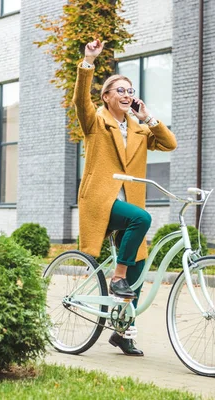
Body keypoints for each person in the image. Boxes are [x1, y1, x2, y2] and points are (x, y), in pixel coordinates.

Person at [73, 39, 177, 356]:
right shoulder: (95, 122)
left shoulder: (138, 129)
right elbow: (80, 101)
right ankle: (116, 275)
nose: (127, 95)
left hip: (128, 203)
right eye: (120, 90)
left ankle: (122, 333)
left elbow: (170, 144)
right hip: (100, 200)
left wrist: (147, 117)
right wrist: (88, 61)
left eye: (130, 91)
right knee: (142, 220)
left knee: (138, 270)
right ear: (106, 97)